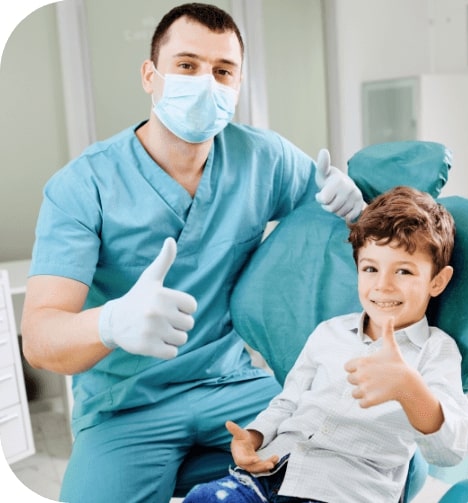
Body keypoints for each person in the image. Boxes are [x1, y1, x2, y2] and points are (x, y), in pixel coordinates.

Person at [20, 3, 364, 502]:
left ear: (238, 85)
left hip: (233, 386)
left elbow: (356, 229)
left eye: (223, 71)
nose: (206, 83)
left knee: (372, 462)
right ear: (150, 75)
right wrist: (111, 323)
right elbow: (40, 337)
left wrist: (356, 205)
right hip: (126, 406)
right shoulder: (83, 185)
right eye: (187, 65)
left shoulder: (263, 158)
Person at [182, 186, 468, 503]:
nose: (383, 285)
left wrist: (408, 387)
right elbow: (288, 402)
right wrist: (253, 437)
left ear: (438, 281)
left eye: (403, 271)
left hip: (343, 491)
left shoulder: (436, 351)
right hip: (270, 471)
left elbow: (451, 450)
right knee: (203, 498)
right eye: (371, 268)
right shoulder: (329, 332)